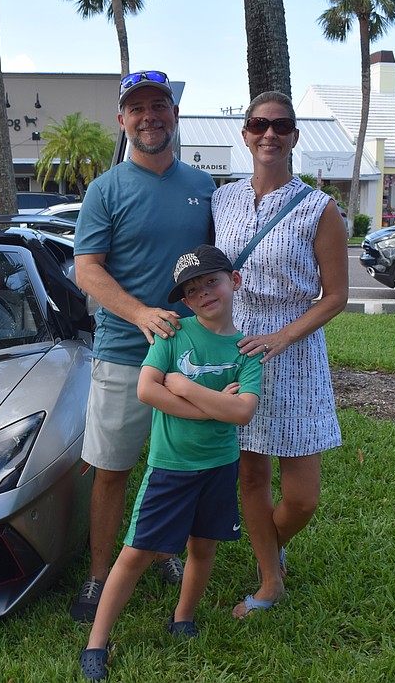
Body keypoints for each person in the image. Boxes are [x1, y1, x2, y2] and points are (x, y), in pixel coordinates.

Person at [70, 70, 216, 622]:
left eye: (160, 106)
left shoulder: (204, 188)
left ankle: (159, 551)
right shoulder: (105, 190)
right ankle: (98, 574)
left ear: (174, 115)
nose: (150, 116)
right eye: (138, 109)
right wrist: (139, 313)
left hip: (190, 358)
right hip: (123, 356)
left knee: (176, 467)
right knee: (111, 470)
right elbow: (87, 270)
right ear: (122, 121)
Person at [78, 245, 262, 681]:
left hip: (219, 465)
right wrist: (213, 404)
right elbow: (146, 390)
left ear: (234, 282)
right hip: (171, 467)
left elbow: (243, 412)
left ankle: (183, 617)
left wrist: (185, 386)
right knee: (136, 552)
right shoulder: (173, 335)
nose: (204, 293)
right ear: (184, 300)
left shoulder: (247, 349)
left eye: (211, 282)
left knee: (203, 545)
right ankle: (96, 643)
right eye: (192, 290)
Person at [210, 91, 348, 618]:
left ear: (294, 136)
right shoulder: (222, 201)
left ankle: (271, 543)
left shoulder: (319, 208)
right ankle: (270, 579)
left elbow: (336, 296)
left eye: (281, 125)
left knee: (303, 495)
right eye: (259, 124)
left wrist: (284, 337)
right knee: (250, 475)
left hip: (294, 353)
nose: (270, 133)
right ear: (245, 134)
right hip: (237, 346)